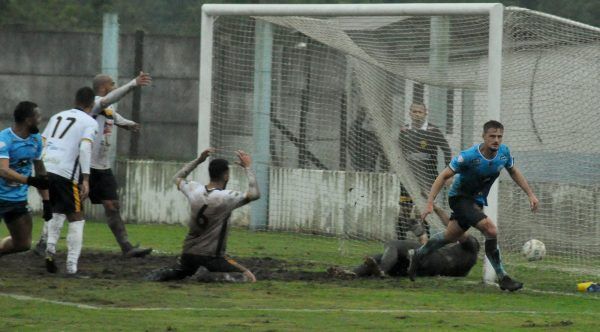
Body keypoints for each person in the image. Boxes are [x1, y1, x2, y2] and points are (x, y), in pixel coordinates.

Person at [408, 120, 539, 292]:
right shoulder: (468, 156)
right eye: (492, 136)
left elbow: (513, 171)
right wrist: (430, 203)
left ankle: (419, 255)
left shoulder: (504, 153)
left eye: (499, 136)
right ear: (483, 136)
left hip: (476, 201)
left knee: (450, 236)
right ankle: (503, 277)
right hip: (459, 198)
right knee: (490, 229)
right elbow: (443, 176)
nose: (496, 140)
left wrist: (530, 194)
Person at [34, 71, 152, 257]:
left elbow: (113, 117)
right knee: (66, 206)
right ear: (104, 87)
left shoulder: (108, 108)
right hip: (83, 166)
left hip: (102, 167)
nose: (115, 87)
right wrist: (133, 84)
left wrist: (128, 124)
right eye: (113, 84)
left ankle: (127, 247)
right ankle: (43, 242)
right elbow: (107, 103)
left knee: (112, 205)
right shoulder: (96, 103)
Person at [145, 148, 260, 283]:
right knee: (249, 277)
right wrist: (247, 168)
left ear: (210, 173)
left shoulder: (194, 189)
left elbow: (177, 177)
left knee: (183, 272)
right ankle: (208, 275)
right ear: (226, 176)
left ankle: (172, 273)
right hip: (211, 256)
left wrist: (199, 160)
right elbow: (255, 194)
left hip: (188, 253)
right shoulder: (226, 197)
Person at [42, 87, 99, 276]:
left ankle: (50, 250)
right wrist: (86, 178)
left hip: (45, 169)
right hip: (65, 173)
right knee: (77, 217)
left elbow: (42, 141)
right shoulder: (90, 122)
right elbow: (84, 148)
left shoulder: (57, 116)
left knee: (57, 210)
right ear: (91, 104)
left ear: (75, 100)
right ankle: (72, 268)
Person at [0, 101, 52, 257]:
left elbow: (40, 170)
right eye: (38, 116)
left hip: (16, 200)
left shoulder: (36, 140)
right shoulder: (4, 139)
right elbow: (3, 170)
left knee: (23, 244)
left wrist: (47, 201)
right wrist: (30, 181)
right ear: (28, 120)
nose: (40, 119)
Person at [397, 102, 452, 243]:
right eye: (414, 111)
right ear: (409, 113)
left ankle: (425, 244)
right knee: (404, 211)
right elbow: (399, 153)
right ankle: (400, 242)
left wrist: (448, 174)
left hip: (428, 178)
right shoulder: (404, 131)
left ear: (425, 113)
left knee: (425, 211)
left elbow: (446, 149)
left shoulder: (433, 131)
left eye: (419, 112)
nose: (417, 114)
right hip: (409, 178)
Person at [329, 235, 480, 278]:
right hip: (425, 270)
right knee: (383, 256)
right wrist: (422, 236)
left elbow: (460, 232)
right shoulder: (465, 268)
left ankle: (380, 271)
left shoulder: (472, 248)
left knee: (394, 244)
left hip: (431, 260)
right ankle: (354, 273)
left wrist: (437, 209)